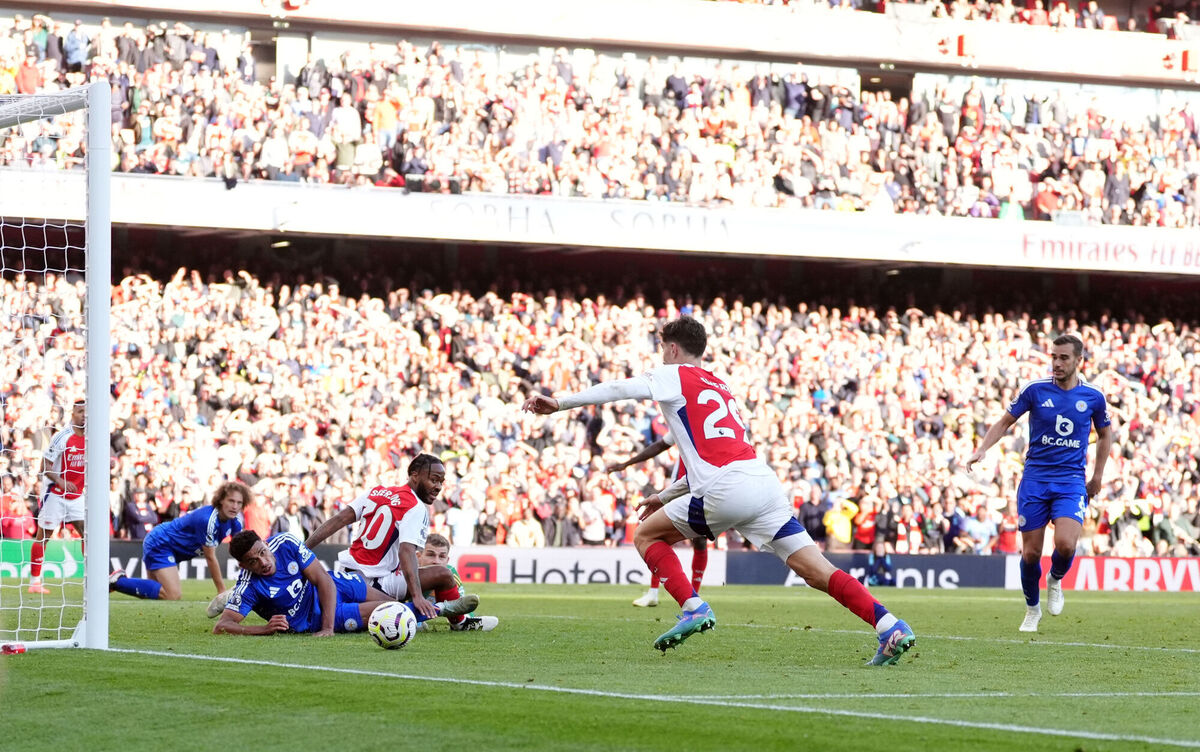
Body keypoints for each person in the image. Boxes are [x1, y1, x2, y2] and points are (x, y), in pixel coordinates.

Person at [522, 316, 915, 665]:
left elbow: (618, 388)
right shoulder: (721, 385)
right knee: (817, 571)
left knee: (646, 536)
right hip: (762, 484)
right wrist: (665, 496)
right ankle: (889, 626)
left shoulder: (673, 374)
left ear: (672, 349)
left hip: (727, 487)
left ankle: (693, 606)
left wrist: (559, 403)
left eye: (662, 348)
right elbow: (718, 453)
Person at [966, 333, 1113, 633]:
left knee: (1066, 545)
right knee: (1031, 553)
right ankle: (1032, 608)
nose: (1056, 363)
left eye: (1063, 358)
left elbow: (1105, 434)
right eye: (1053, 357)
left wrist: (1097, 476)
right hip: (1035, 479)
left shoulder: (1094, 397)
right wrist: (982, 449)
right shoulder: (1035, 389)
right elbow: (1005, 421)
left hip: (1071, 480)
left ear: (1079, 360)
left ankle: (1055, 578)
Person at [304, 454, 492, 631]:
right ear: (415, 476)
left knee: (439, 574)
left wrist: (303, 550)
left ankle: (430, 615)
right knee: (443, 574)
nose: (438, 487)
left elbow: (338, 520)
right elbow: (406, 551)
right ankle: (452, 620)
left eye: (441, 482)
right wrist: (417, 596)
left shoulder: (376, 491)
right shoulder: (415, 507)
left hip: (348, 576)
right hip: (376, 582)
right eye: (434, 480)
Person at [213, 529, 477, 636]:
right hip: (314, 616)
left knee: (392, 603)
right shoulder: (249, 585)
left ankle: (419, 616)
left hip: (334, 585)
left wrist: (328, 629)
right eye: (253, 561)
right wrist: (264, 629)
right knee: (390, 613)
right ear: (243, 566)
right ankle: (444, 609)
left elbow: (322, 579)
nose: (263, 561)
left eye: (263, 552)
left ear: (265, 543)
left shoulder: (285, 543)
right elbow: (222, 627)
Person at [606, 431, 710, 608]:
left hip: (703, 485)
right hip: (679, 487)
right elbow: (660, 445)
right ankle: (653, 592)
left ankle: (693, 594)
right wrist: (627, 463)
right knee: (659, 535)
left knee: (699, 540)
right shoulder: (683, 422)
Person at [109, 481, 246, 605]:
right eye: (231, 501)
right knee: (172, 594)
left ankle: (118, 582)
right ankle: (117, 581)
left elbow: (239, 550)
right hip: (161, 542)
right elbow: (210, 557)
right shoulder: (208, 520)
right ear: (221, 500)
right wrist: (222, 591)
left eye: (239, 503)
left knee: (157, 594)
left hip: (168, 546)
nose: (235, 506)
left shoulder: (236, 522)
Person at [28, 400, 86, 594]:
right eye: (80, 411)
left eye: (86, 412)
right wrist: (61, 481)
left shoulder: (92, 437)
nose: (84, 415)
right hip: (55, 492)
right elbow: (44, 466)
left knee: (88, 533)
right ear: (72, 414)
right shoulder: (62, 436)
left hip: (77, 494)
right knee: (44, 535)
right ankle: (35, 582)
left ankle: (93, 578)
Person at [414, 533, 499, 631]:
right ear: (418, 556)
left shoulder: (451, 575)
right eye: (431, 555)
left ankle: (460, 624)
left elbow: (461, 606)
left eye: (442, 556)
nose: (436, 561)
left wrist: (466, 618)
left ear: (447, 560)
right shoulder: (406, 573)